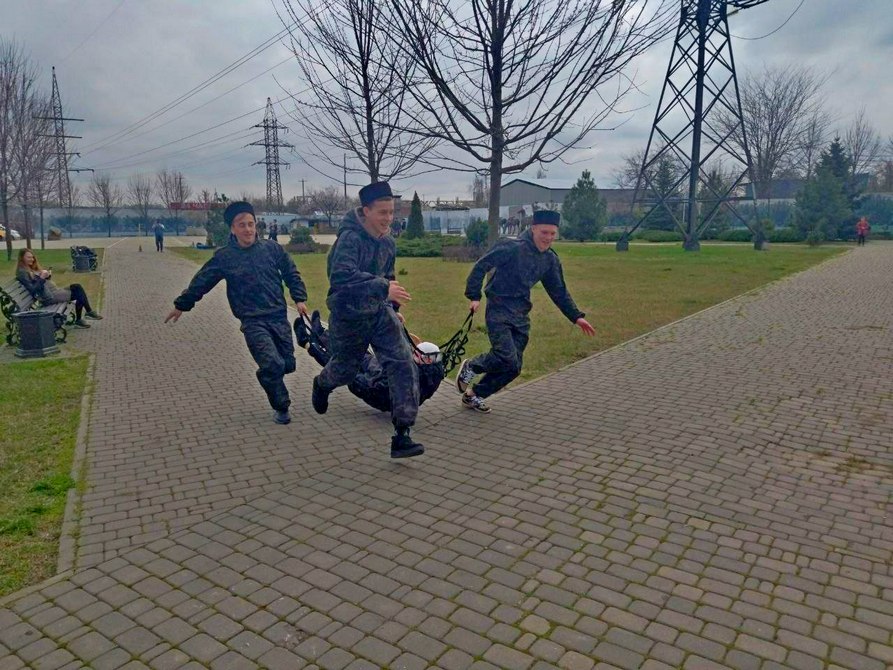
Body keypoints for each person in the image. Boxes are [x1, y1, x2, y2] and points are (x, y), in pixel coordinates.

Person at [165, 201, 308, 425]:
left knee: (287, 363)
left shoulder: (271, 249)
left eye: (251, 224)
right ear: (233, 229)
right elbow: (203, 281)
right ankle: (281, 406)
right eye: (242, 225)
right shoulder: (225, 257)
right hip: (252, 321)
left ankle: (267, 375)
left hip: (278, 316)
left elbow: (291, 272)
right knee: (272, 364)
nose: (248, 229)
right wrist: (182, 305)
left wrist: (299, 298)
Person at [310, 181, 423, 459]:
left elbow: (389, 276)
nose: (388, 218)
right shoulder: (349, 239)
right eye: (382, 212)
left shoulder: (388, 242)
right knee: (346, 370)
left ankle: (402, 434)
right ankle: (322, 384)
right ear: (366, 211)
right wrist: (383, 287)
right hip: (349, 315)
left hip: (379, 312)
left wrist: (393, 306)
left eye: (391, 212)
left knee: (403, 362)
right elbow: (341, 277)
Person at [456, 210, 595, 412]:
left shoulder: (550, 259)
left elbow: (558, 291)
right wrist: (474, 295)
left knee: (514, 368)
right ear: (533, 229)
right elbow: (481, 265)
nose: (548, 238)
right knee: (505, 356)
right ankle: (472, 366)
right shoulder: (511, 247)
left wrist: (576, 316)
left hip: (521, 314)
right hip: (499, 309)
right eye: (544, 232)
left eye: (552, 234)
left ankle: (474, 395)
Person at [16, 248, 102, 328]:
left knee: (77, 286)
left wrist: (47, 276)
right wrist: (42, 277)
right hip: (48, 297)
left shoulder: (29, 268)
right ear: (22, 258)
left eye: (32, 257)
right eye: (28, 257)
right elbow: (33, 289)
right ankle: (83, 316)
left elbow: (40, 282)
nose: (32, 259)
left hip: (53, 291)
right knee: (78, 294)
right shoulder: (22, 272)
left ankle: (86, 314)